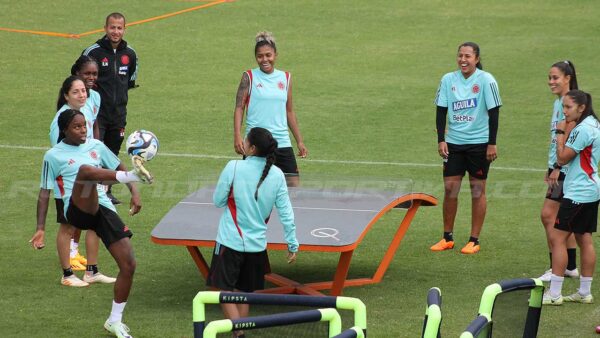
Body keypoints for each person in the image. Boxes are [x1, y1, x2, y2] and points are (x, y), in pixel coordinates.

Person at [30, 109, 153, 337]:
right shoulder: (53, 155)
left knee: (129, 265)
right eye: (77, 127)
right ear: (64, 130)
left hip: (101, 208)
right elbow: (45, 192)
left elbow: (119, 166)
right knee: (86, 171)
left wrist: (134, 194)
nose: (83, 130)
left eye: (84, 125)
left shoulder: (96, 146)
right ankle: (136, 176)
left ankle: (114, 321)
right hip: (76, 211)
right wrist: (40, 229)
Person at [208, 127, 299, 338]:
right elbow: (286, 212)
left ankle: (238, 331)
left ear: (252, 148)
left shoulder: (233, 167)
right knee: (244, 292)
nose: (243, 142)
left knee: (223, 290)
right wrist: (292, 244)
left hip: (230, 241)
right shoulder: (277, 175)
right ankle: (240, 331)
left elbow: (217, 201)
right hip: (257, 246)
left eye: (246, 140)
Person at [431, 42, 502, 254]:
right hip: (453, 143)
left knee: (477, 190)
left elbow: (495, 113)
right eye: (460, 55)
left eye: (468, 56)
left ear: (477, 59)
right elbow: (441, 110)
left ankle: (474, 239)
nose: (463, 59)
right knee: (450, 190)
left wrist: (492, 143)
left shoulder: (486, 80)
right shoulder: (447, 79)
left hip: (479, 144)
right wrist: (441, 140)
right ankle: (447, 237)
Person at [49, 75, 114, 286]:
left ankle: (92, 271)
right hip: (68, 184)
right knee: (67, 226)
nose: (82, 94)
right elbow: (58, 154)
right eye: (76, 92)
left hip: (87, 180)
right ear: (66, 95)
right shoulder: (61, 119)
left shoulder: (86, 107)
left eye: (83, 91)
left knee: (95, 223)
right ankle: (67, 274)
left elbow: (90, 143)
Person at [543, 90, 599, 305]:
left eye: (568, 107)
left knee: (558, 239)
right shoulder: (594, 124)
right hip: (590, 188)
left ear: (581, 107)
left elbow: (563, 157)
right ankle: (584, 292)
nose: (564, 111)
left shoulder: (582, 129)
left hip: (578, 192)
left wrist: (559, 134)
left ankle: (555, 294)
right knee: (584, 238)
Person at [233, 31, 308, 187]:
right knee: (254, 189)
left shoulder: (286, 78)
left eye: (268, 55)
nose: (264, 59)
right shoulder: (249, 77)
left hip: (282, 142)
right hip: (256, 143)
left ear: (276, 55)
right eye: (260, 56)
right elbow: (239, 107)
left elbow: (289, 111)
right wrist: (237, 136)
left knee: (293, 185)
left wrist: (299, 141)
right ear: (256, 57)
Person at [82, 12, 138, 204]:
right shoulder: (93, 52)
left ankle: (106, 191)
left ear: (124, 29)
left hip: (119, 114)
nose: (115, 31)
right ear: (105, 28)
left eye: (119, 28)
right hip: (97, 115)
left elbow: (129, 81)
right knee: (96, 152)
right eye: (112, 27)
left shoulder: (130, 54)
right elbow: (77, 76)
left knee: (112, 153)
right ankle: (91, 192)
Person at [538, 61, 580, 282]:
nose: (551, 82)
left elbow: (569, 136)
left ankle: (557, 267)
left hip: (564, 169)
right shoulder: (560, 102)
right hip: (559, 168)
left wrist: (557, 167)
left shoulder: (569, 103)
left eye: (555, 77)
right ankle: (570, 266)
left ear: (568, 78)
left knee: (548, 216)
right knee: (563, 220)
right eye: (550, 77)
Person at [68, 56, 102, 269]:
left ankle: (75, 249)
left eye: (94, 74)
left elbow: (94, 123)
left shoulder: (95, 97)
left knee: (88, 208)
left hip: (89, 159)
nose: (90, 78)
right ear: (77, 74)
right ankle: (70, 254)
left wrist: (97, 150)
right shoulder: (70, 103)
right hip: (74, 163)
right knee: (75, 210)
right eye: (86, 73)